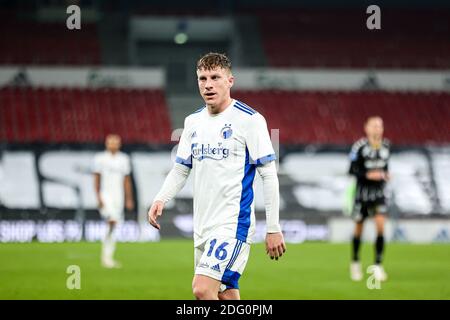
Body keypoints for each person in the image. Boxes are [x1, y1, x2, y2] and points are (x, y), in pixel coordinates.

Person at [147, 52, 286, 300]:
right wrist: (161, 198)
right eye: (202, 78)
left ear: (230, 81)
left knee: (202, 289)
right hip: (202, 225)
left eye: (215, 77)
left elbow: (269, 175)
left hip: (232, 223)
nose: (208, 84)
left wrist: (273, 227)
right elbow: (181, 169)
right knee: (226, 295)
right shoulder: (192, 122)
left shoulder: (250, 120)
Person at [348, 116, 390, 282]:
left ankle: (378, 266)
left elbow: (386, 168)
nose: (377, 128)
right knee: (359, 228)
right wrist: (367, 174)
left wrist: (385, 175)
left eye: (380, 125)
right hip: (362, 194)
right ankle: (355, 262)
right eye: (374, 125)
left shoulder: (387, 147)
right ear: (366, 128)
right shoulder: (359, 147)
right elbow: (351, 170)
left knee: (380, 227)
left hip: (379, 194)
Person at [93, 134, 134, 268]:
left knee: (113, 226)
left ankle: (107, 257)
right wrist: (98, 196)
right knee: (112, 221)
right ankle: (106, 257)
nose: (113, 144)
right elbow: (97, 178)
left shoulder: (124, 159)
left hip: (119, 196)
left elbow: (126, 180)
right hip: (106, 195)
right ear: (106, 143)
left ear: (119, 144)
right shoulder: (100, 159)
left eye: (115, 142)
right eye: (110, 142)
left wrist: (128, 199)